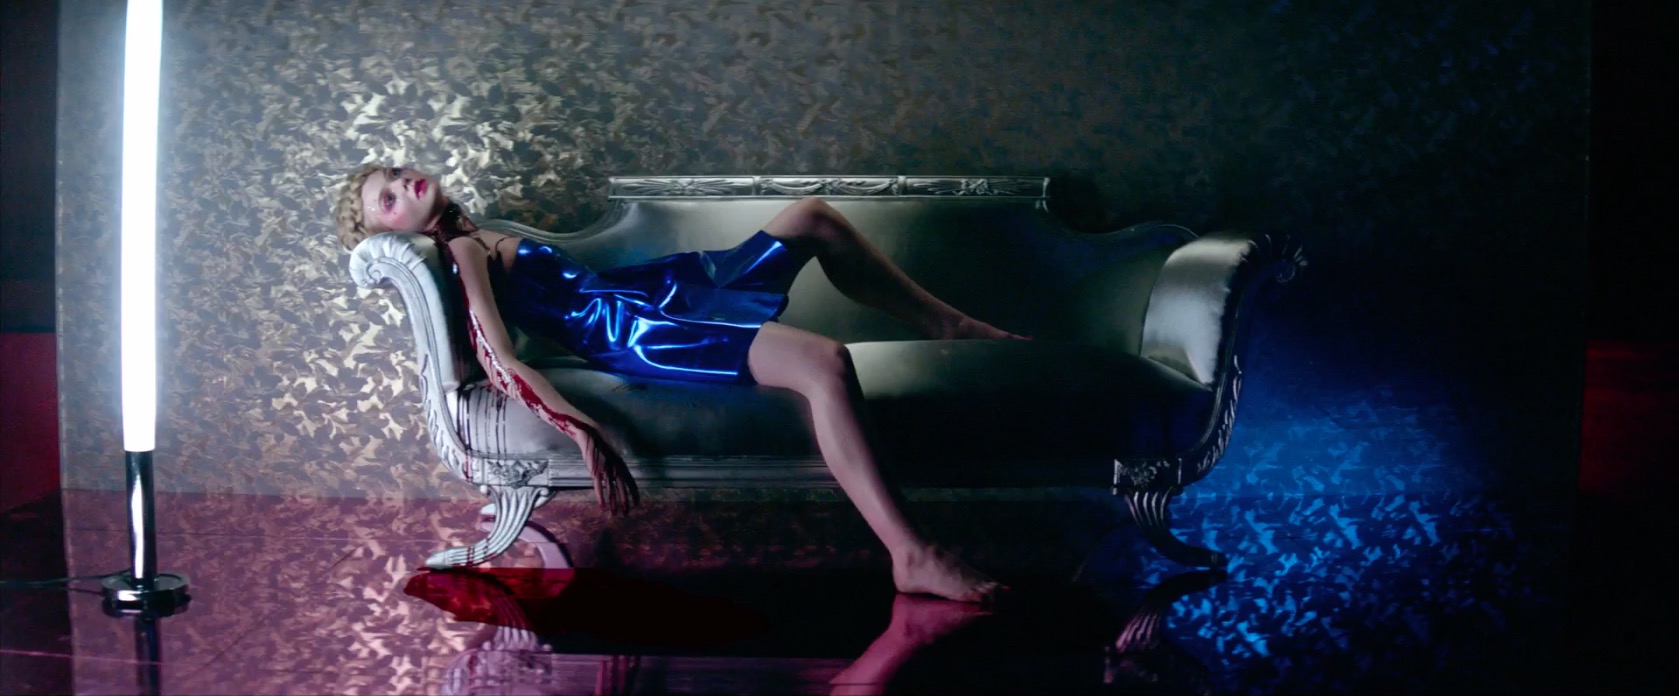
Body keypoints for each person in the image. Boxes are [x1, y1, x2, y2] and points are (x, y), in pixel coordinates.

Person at [333, 164, 1028, 603]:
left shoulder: (478, 232)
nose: (402, 183)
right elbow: (499, 358)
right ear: (394, 233)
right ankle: (911, 553)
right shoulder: (460, 251)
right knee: (824, 362)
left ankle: (951, 325)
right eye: (387, 199)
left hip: (660, 291)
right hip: (640, 332)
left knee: (812, 217)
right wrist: (582, 427)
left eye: (395, 174)